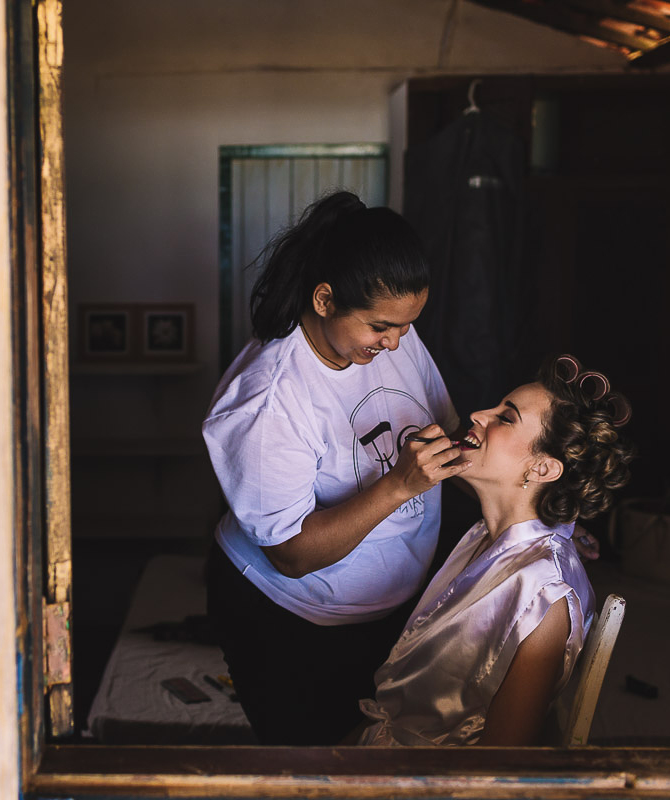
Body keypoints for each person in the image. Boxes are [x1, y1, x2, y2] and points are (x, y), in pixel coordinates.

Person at [202, 190, 468, 745]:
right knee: (315, 767)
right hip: (289, 621)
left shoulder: (393, 335)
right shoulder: (270, 398)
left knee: (377, 753)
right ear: (324, 300)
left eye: (407, 326)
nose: (395, 343)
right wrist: (398, 486)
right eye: (381, 327)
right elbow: (293, 555)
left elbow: (443, 426)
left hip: (391, 611)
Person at [357, 354, 634, 747]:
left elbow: (502, 762)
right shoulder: (487, 535)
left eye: (505, 417)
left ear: (542, 469)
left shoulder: (543, 597)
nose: (477, 415)